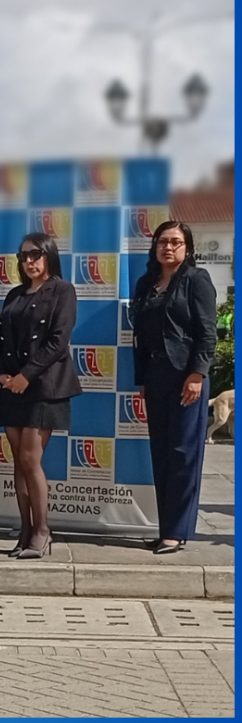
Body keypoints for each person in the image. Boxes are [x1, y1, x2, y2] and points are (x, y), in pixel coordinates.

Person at [130, 221, 218, 554]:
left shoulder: (197, 280)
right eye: (162, 242)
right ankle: (165, 528)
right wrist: (142, 379)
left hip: (186, 378)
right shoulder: (146, 283)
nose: (168, 247)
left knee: (183, 454)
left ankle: (177, 532)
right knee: (162, 453)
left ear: (187, 247)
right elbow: (139, 337)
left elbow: (207, 332)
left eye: (176, 242)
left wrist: (197, 374)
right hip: (155, 376)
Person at [0, 232, 81, 559]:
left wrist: (25, 376)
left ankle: (43, 531)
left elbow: (58, 341)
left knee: (31, 459)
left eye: (35, 254)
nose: (28, 261)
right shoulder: (15, 294)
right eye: (23, 256)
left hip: (44, 386)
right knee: (19, 462)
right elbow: (1, 339)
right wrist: (2, 374)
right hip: (13, 387)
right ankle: (25, 530)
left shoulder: (62, 290)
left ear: (48, 256)